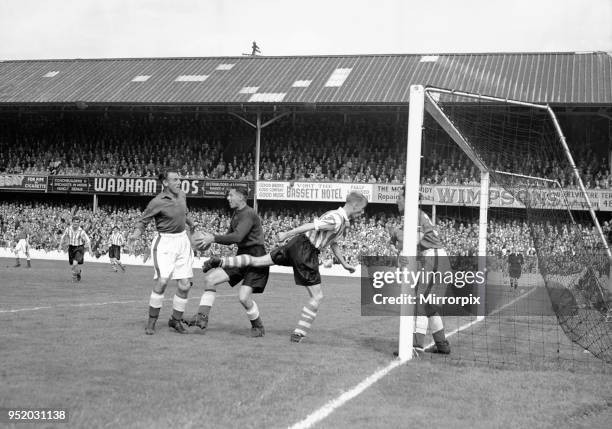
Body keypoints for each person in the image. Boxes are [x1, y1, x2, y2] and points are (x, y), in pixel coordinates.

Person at [205, 191, 368, 342]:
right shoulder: (337, 218)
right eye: (362, 209)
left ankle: (220, 262)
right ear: (354, 205)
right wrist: (286, 234)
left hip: (296, 246)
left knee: (257, 261)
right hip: (306, 250)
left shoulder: (339, 218)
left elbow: (334, 243)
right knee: (317, 297)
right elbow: (309, 226)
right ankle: (299, 332)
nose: (362, 213)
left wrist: (345, 264)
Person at [183, 187, 268, 337]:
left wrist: (213, 238)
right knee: (210, 279)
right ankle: (202, 318)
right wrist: (209, 238)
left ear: (241, 197)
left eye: (231, 195)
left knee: (243, 298)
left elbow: (237, 237)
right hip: (241, 256)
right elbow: (230, 239)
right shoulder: (237, 213)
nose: (228, 198)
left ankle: (258, 327)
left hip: (256, 258)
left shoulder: (248, 213)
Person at [128, 170, 197, 335]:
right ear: (165, 183)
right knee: (163, 281)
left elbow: (184, 213)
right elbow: (143, 221)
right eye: (175, 179)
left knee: (185, 285)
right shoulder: (156, 202)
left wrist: (192, 224)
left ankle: (175, 320)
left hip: (182, 241)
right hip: (165, 243)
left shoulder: (182, 195)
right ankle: (151, 323)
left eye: (179, 179)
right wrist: (136, 235)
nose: (179, 182)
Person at [391, 187, 451, 355]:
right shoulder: (415, 215)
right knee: (429, 307)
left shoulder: (414, 214)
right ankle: (442, 345)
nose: (397, 201)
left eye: (399, 197)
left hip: (435, 258)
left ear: (407, 199)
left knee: (420, 302)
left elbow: (415, 239)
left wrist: (397, 235)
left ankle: (415, 347)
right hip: (436, 258)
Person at [58, 216, 92, 282]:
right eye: (74, 222)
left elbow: (88, 240)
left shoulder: (81, 231)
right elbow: (62, 237)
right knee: (72, 265)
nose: (75, 224)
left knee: (74, 264)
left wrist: (90, 249)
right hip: (71, 248)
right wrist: (60, 246)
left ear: (79, 223)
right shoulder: (68, 229)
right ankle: (78, 273)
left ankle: (74, 277)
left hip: (79, 248)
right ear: (72, 222)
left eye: (77, 222)